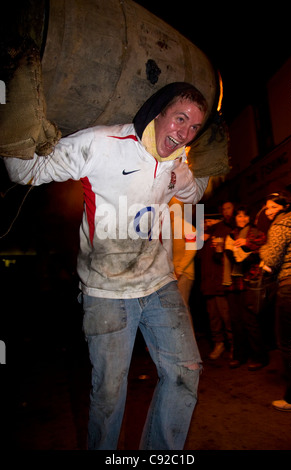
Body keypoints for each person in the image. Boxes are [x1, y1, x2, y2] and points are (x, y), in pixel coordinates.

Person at [3, 82, 210, 450]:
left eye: (194, 127)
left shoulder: (178, 162)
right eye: (180, 119)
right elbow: (26, 172)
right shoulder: (101, 144)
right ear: (158, 112)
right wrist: (12, 122)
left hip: (160, 284)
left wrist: (188, 178)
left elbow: (194, 196)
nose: (184, 133)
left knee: (185, 372)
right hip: (106, 292)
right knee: (109, 393)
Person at [260, 192, 291, 412]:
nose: (269, 211)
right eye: (266, 208)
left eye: (272, 207)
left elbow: (270, 260)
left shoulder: (281, 225)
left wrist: (263, 249)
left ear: (284, 206)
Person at [223, 205, 268, 370]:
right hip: (233, 282)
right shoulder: (231, 235)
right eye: (239, 216)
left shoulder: (255, 232)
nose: (242, 219)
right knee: (236, 321)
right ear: (235, 218)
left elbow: (264, 246)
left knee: (251, 320)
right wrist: (221, 250)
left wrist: (247, 244)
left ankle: (260, 356)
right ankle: (240, 356)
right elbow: (229, 257)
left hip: (250, 280)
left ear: (249, 218)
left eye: (245, 216)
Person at [200, 201, 235, 360]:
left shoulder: (225, 231)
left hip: (221, 283)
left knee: (227, 316)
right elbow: (199, 259)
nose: (205, 222)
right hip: (208, 283)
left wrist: (218, 248)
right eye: (204, 220)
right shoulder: (203, 235)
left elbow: (229, 258)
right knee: (213, 317)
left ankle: (233, 345)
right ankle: (218, 343)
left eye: (208, 220)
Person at [170, 197, 197, 309]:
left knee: (181, 308)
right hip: (174, 274)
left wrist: (180, 270)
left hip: (183, 274)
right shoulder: (169, 227)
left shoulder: (186, 227)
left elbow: (191, 249)